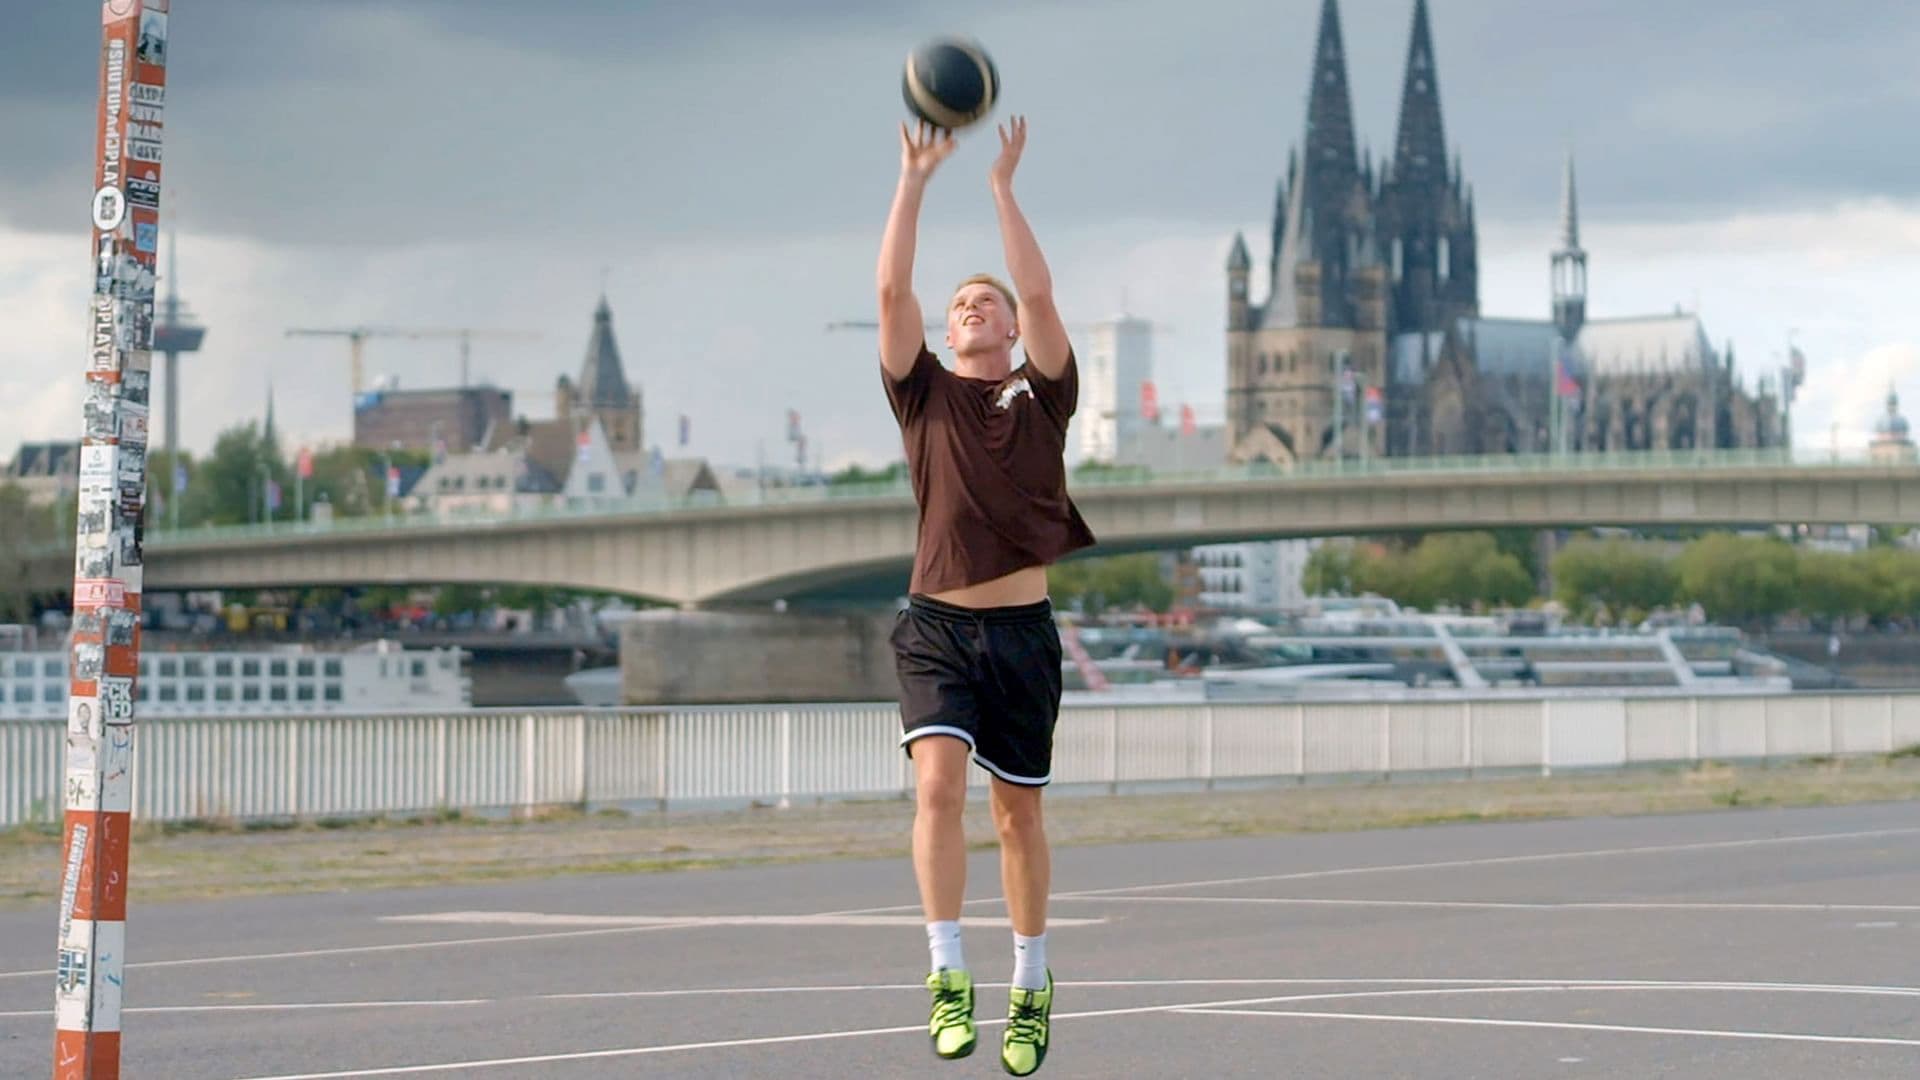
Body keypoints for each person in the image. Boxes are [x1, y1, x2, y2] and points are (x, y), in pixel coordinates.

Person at [876, 115, 1095, 1076]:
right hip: (935, 627)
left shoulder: (1042, 395)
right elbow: (891, 289)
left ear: (1009, 329)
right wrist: (915, 178)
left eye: (983, 301)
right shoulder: (921, 392)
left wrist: (1001, 188)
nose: (969, 306)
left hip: (1021, 634)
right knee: (936, 785)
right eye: (960, 299)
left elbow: (1040, 288)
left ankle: (1032, 981)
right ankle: (945, 973)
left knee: (1018, 816)